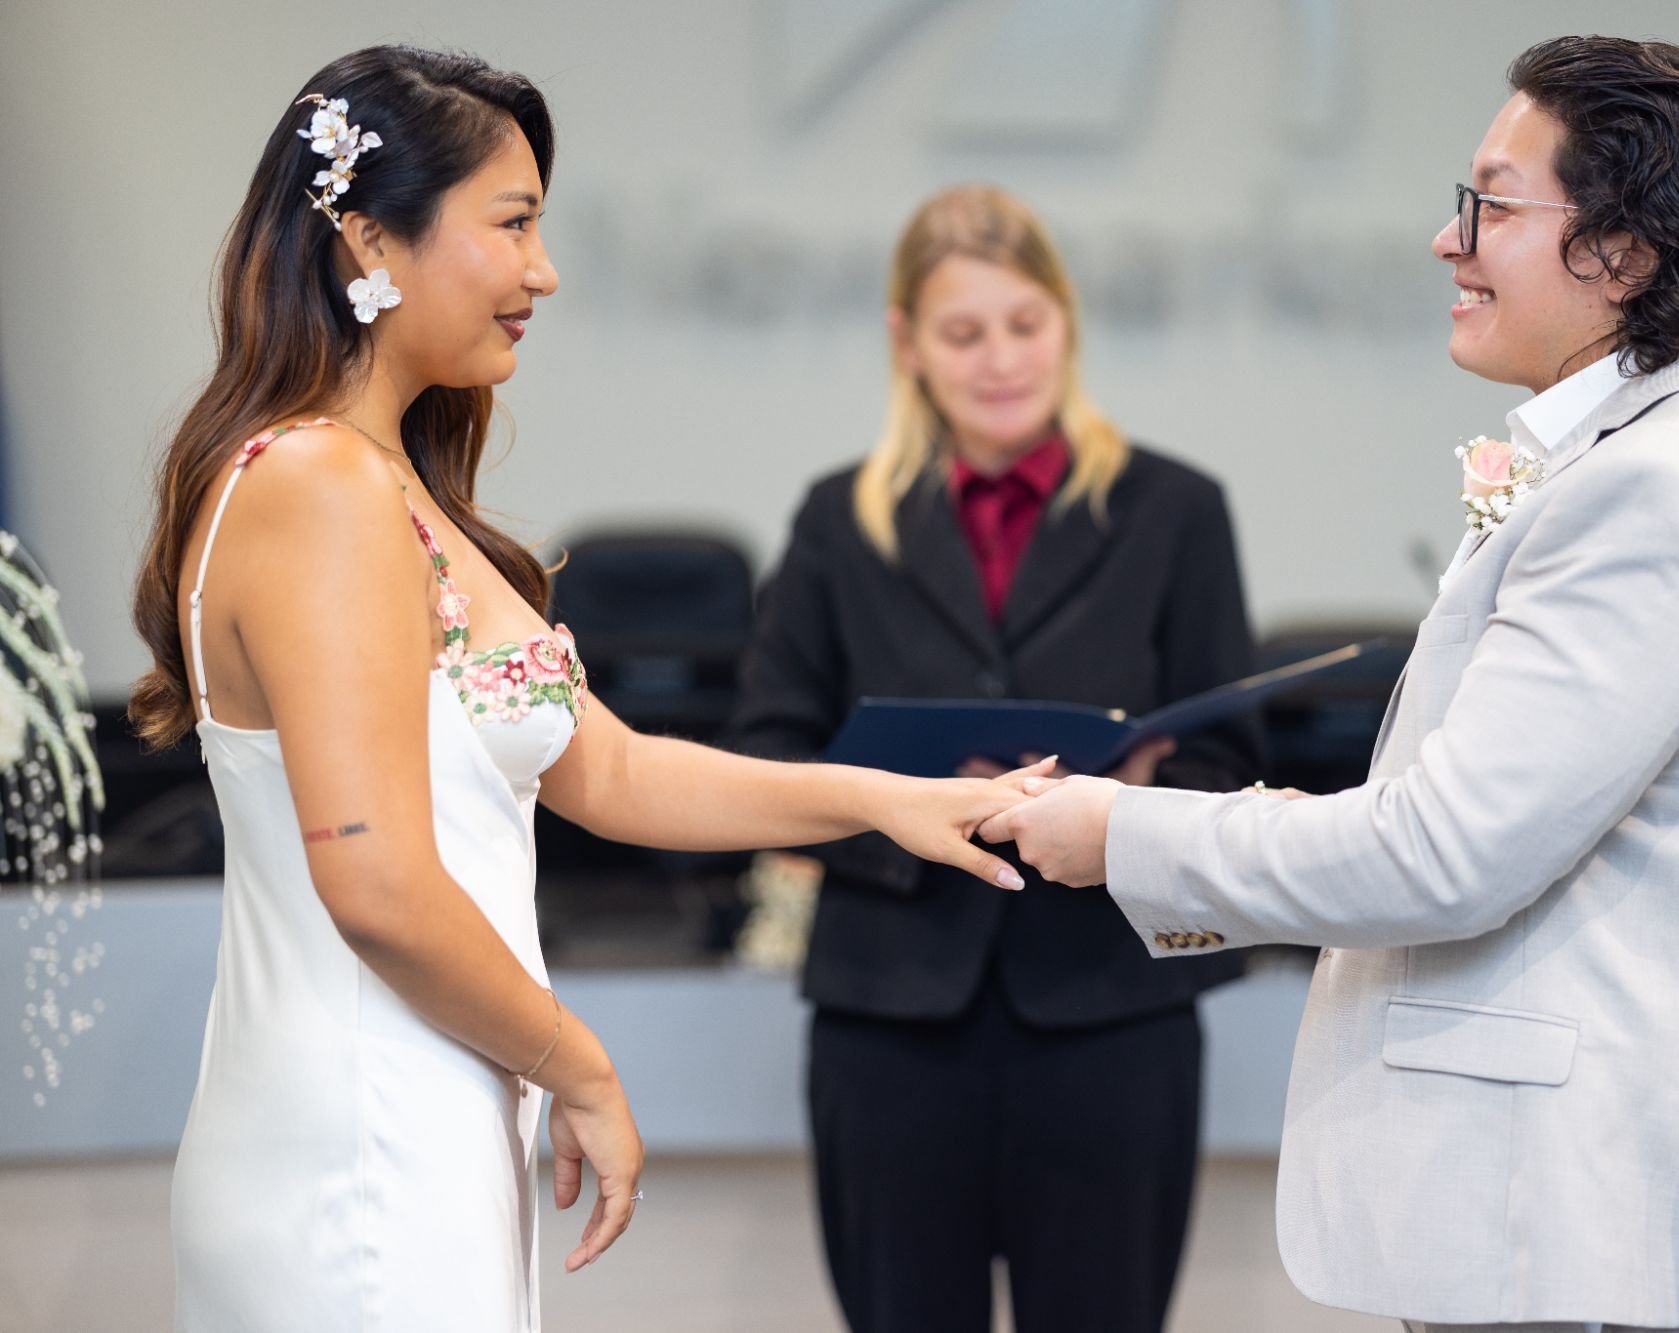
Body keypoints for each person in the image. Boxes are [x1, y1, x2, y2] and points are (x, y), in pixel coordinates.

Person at [128, 48, 1038, 1332]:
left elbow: (610, 770)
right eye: (512, 225)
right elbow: (375, 882)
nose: (543, 271)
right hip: (357, 1141)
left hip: (425, 1111)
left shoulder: (381, 481)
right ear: (369, 238)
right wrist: (579, 1062)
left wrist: (881, 798)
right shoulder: (316, 486)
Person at [985, 36, 1679, 1333]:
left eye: (1490, 204)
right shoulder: (1666, 458)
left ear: (1622, 251)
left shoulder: (1652, 490)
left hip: (1577, 1234)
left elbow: (1447, 855)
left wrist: (1125, 835)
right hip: (1565, 1230)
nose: (1449, 241)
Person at [727, 183, 1262, 1333]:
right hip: (890, 1012)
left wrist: (1131, 802)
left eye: (1024, 324)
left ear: (1065, 322)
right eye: (963, 333)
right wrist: (910, 810)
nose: (1000, 359)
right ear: (906, 343)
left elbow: (1228, 758)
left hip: (1112, 1009)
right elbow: (767, 754)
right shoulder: (836, 520)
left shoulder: (1175, 511)